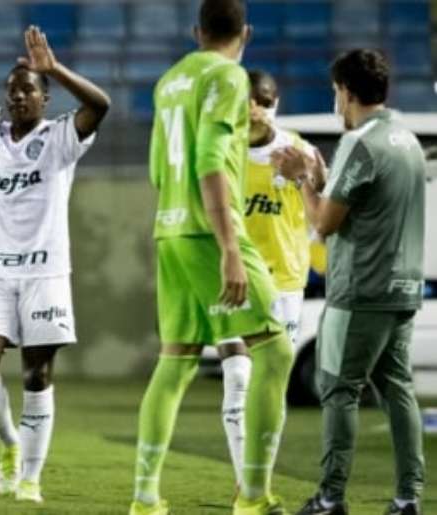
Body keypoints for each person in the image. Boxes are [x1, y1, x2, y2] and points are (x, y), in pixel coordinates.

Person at [130, 1, 294, 514]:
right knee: (277, 351)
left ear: (196, 31)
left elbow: (159, 169)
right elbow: (208, 160)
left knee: (175, 362)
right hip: (209, 231)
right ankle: (253, 495)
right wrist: (229, 248)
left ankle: (145, 497)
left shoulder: (169, 81)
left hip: (170, 230)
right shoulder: (229, 76)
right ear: (245, 32)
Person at [0, 26, 109, 503]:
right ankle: (10, 443)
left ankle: (29, 478)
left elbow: (101, 106)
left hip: (45, 273)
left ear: (45, 98)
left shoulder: (60, 138)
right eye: (11, 91)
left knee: (37, 376)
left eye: (27, 89)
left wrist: (53, 66)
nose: (17, 97)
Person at [274, 49, 426, 515]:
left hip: (359, 290)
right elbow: (363, 205)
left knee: (339, 391)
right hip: (403, 290)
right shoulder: (407, 140)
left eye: (336, 92)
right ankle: (407, 498)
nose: (336, 101)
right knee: (398, 390)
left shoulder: (361, 144)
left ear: (345, 91)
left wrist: (302, 178)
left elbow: (324, 223)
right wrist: (323, 178)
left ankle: (330, 497)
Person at [219, 70, 314, 491]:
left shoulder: (299, 149)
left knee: (270, 385)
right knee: (238, 377)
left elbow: (324, 210)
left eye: (267, 99)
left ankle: (260, 472)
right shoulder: (221, 151)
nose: (259, 106)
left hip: (286, 284)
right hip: (234, 279)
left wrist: (308, 176)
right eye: (251, 98)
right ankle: (248, 482)